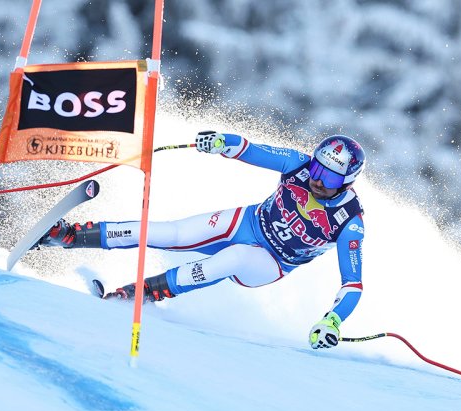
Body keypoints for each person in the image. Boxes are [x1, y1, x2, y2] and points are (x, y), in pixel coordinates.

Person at [37, 131, 366, 350]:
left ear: (348, 181)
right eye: (318, 170)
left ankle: (135, 295)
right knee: (170, 233)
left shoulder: (349, 220)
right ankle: (68, 236)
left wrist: (333, 321)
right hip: (248, 222)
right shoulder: (299, 166)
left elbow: (352, 284)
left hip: (271, 263)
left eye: (331, 177)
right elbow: (253, 150)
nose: (319, 181)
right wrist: (222, 142)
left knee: (233, 258)